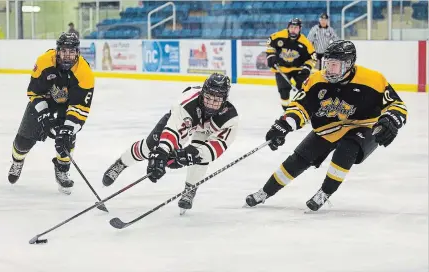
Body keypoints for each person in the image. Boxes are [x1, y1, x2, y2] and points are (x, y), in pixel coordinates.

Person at [246, 40, 408, 211]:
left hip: (364, 125)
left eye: (334, 65)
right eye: (327, 64)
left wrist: (392, 119)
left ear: (348, 64)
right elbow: (301, 106)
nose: (329, 70)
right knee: (298, 159)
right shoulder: (316, 79)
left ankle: (325, 192)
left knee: (347, 149)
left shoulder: (373, 80)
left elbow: (397, 105)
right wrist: (284, 125)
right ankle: (265, 192)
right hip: (330, 126)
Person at [103, 73, 239, 212]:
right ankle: (121, 163)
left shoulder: (229, 119)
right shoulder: (187, 103)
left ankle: (190, 188)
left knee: (199, 157)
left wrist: (193, 154)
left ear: (224, 100)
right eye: (208, 97)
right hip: (184, 120)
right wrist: (162, 152)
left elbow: (217, 146)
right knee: (149, 148)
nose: (210, 103)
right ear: (203, 93)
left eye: (216, 99)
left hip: (207, 129)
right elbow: (173, 130)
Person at [7, 32, 95, 195]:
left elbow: (80, 107)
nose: (67, 56)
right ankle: (17, 161)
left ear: (77, 52)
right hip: (44, 101)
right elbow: (34, 92)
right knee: (23, 142)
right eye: (64, 51)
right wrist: (45, 116)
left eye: (71, 51)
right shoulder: (44, 62)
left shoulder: (85, 73)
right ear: (57, 51)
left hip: (67, 106)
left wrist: (68, 129)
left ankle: (62, 169)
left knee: (66, 138)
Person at [266, 18, 316, 110]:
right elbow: (270, 44)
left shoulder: (305, 42)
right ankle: (287, 111)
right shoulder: (279, 36)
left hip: (298, 69)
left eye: (296, 27)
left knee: (304, 90)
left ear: (300, 29)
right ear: (288, 27)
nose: (293, 29)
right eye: (291, 27)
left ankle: (305, 110)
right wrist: (270, 56)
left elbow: (313, 58)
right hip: (281, 69)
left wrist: (307, 68)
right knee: (283, 91)